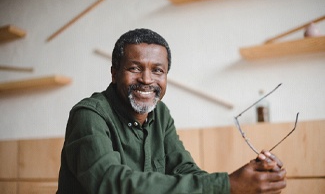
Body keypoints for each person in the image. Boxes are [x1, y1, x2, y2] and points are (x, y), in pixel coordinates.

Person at [57, 28, 286, 194]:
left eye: (158, 70)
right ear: (114, 73)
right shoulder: (89, 115)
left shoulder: (160, 113)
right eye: (135, 68)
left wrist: (245, 177)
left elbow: (184, 169)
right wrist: (226, 185)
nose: (147, 79)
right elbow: (112, 184)